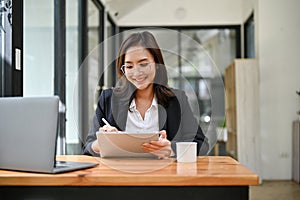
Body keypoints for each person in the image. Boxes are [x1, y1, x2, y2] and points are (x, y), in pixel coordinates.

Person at [83, 31, 209, 158]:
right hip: (119, 176)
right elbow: (88, 148)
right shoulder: (108, 99)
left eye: (143, 64)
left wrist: (171, 148)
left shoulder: (177, 100)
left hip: (165, 176)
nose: (137, 73)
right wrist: (101, 143)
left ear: (157, 64)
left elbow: (202, 145)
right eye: (129, 66)